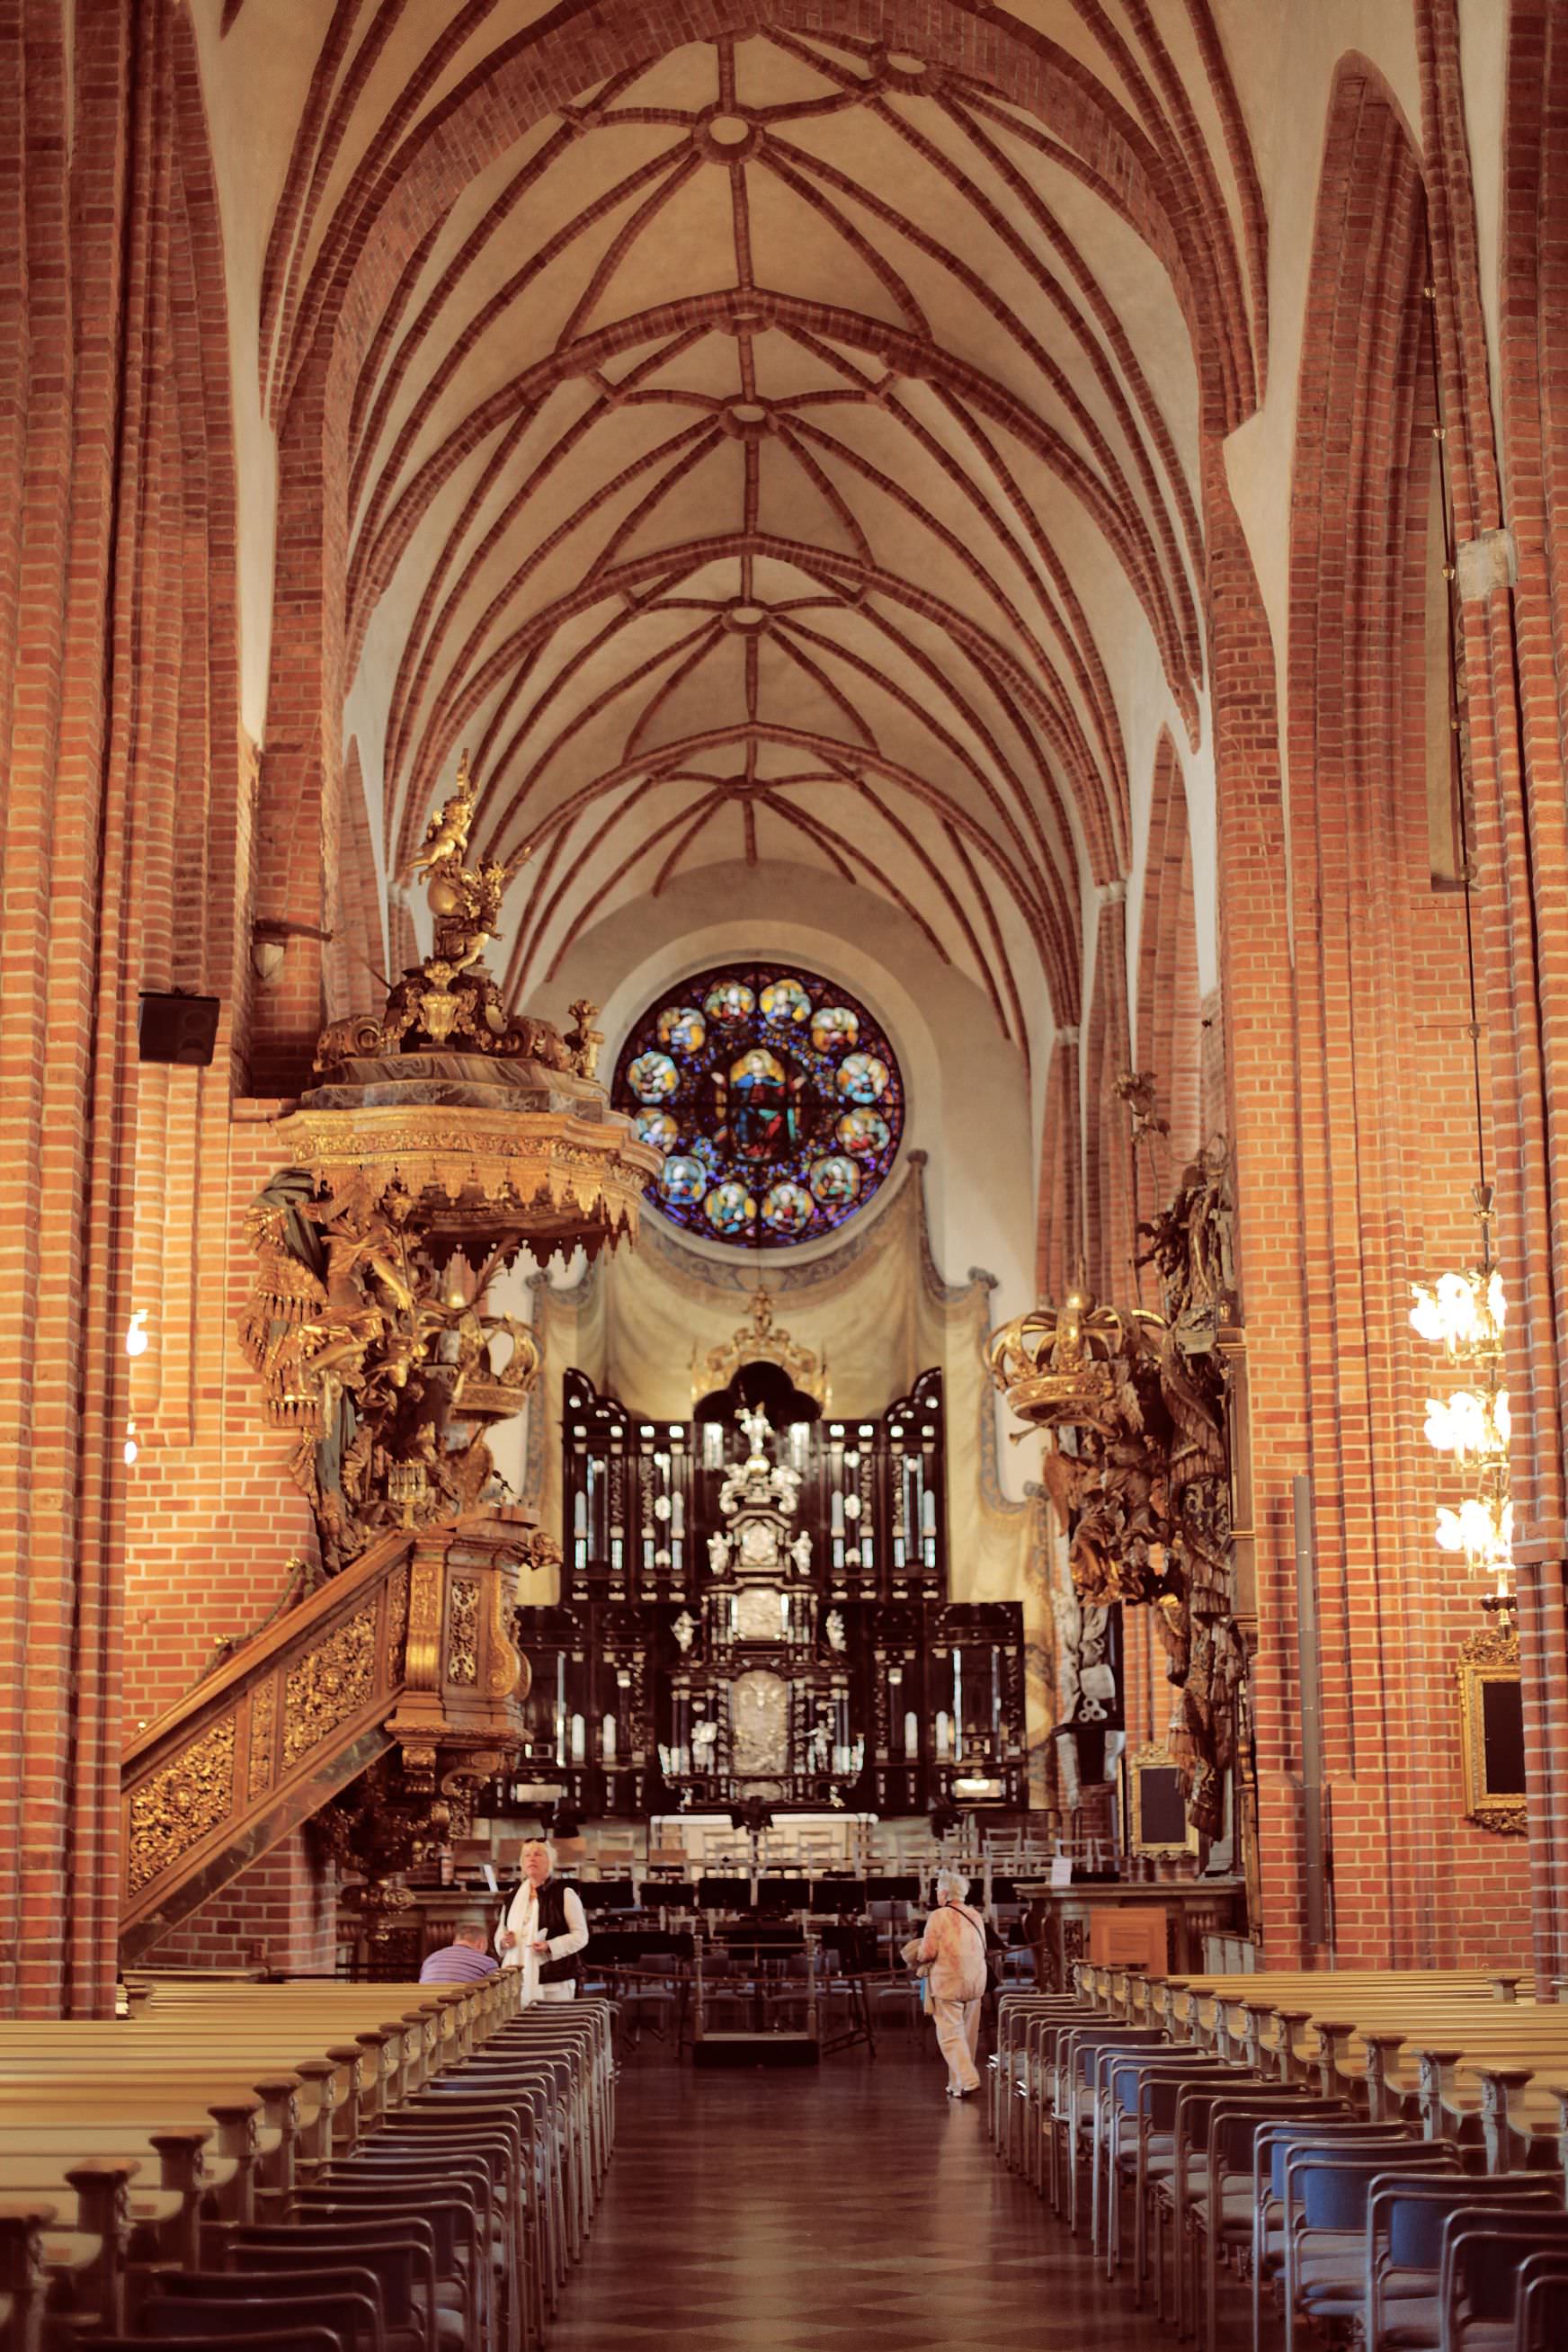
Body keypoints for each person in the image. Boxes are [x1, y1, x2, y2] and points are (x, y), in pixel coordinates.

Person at [904, 1867, 988, 2099]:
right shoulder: (974, 1914)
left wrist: (917, 1953)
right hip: (974, 1981)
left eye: (937, 1890)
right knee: (968, 2036)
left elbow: (927, 1953)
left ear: (944, 1892)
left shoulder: (938, 1916)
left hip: (948, 1983)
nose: (936, 1894)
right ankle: (958, 2084)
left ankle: (969, 2078)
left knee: (950, 2035)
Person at [494, 1836, 589, 2004]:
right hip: (516, 1979)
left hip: (553, 1980)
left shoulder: (564, 1894)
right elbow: (501, 1932)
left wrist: (550, 1946)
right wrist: (504, 1941)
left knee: (554, 2028)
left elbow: (581, 1936)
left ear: (549, 1861)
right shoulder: (512, 1896)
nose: (532, 1858)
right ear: (522, 1863)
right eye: (527, 1855)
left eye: (538, 1854)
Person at [419, 1922, 500, 1983]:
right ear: (481, 1943)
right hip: (461, 2005)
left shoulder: (430, 1959)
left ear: (455, 1941)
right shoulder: (488, 1963)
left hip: (426, 2004)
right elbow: (495, 1995)